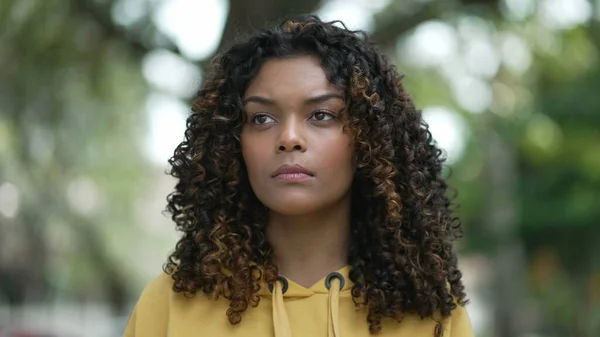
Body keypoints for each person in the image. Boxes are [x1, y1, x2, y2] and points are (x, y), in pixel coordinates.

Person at [124, 15, 473, 337]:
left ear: (370, 140)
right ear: (232, 144)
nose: (289, 138)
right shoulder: (169, 306)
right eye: (262, 119)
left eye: (321, 115)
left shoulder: (431, 314)